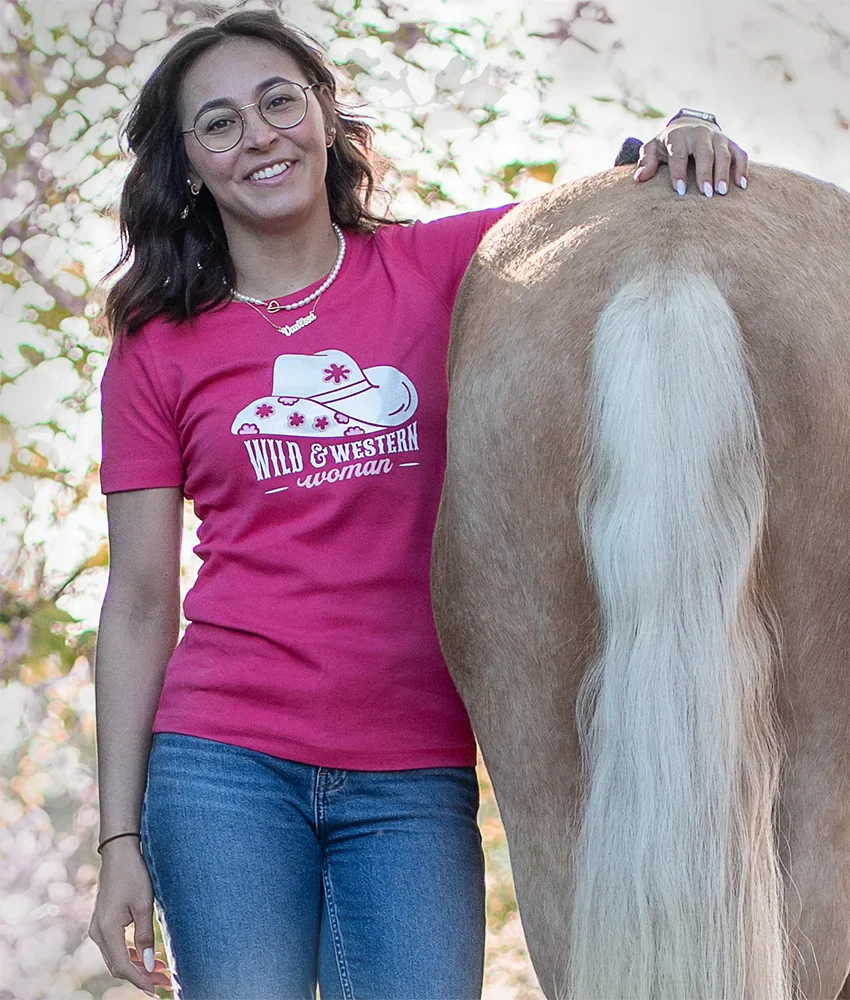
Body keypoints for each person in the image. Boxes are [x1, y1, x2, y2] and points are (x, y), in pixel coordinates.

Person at [88, 9, 749, 999]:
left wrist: (688, 123)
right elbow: (140, 601)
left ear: (324, 115)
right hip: (222, 766)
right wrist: (118, 838)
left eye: (279, 101)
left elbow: (607, 204)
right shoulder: (159, 347)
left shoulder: (452, 268)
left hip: (414, 771)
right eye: (218, 123)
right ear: (187, 166)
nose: (259, 135)